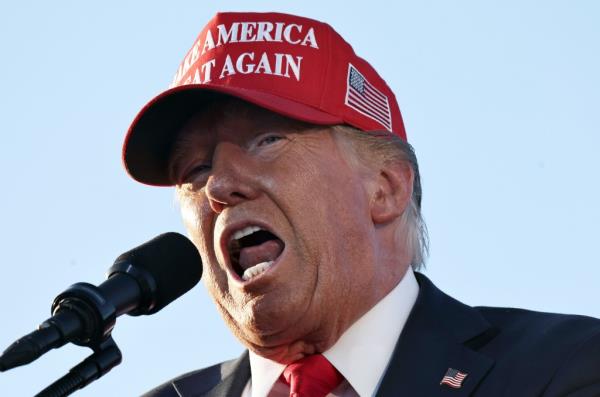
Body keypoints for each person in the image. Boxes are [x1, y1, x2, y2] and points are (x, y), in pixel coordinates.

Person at [121, 11, 600, 397]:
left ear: (386, 188)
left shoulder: (564, 368)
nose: (219, 186)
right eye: (194, 172)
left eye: (266, 141)